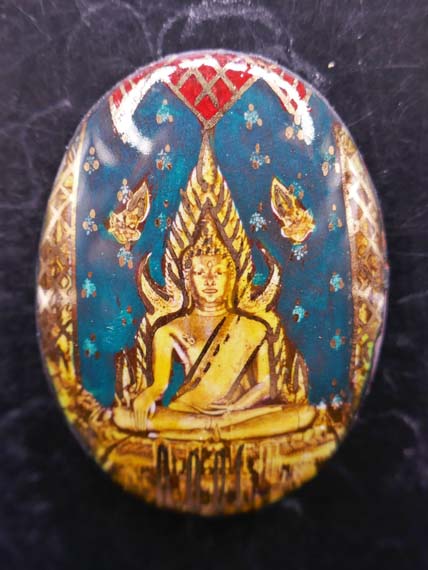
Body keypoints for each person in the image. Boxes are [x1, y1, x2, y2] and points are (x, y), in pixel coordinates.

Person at [113, 216, 315, 440]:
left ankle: (208, 430)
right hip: (188, 412)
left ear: (232, 279)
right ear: (188, 281)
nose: (209, 280)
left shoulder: (254, 327)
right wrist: (146, 396)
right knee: (121, 417)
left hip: (237, 414)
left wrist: (236, 407)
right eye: (200, 273)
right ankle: (215, 429)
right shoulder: (168, 330)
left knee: (303, 414)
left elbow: (266, 384)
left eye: (218, 272)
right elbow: (159, 385)